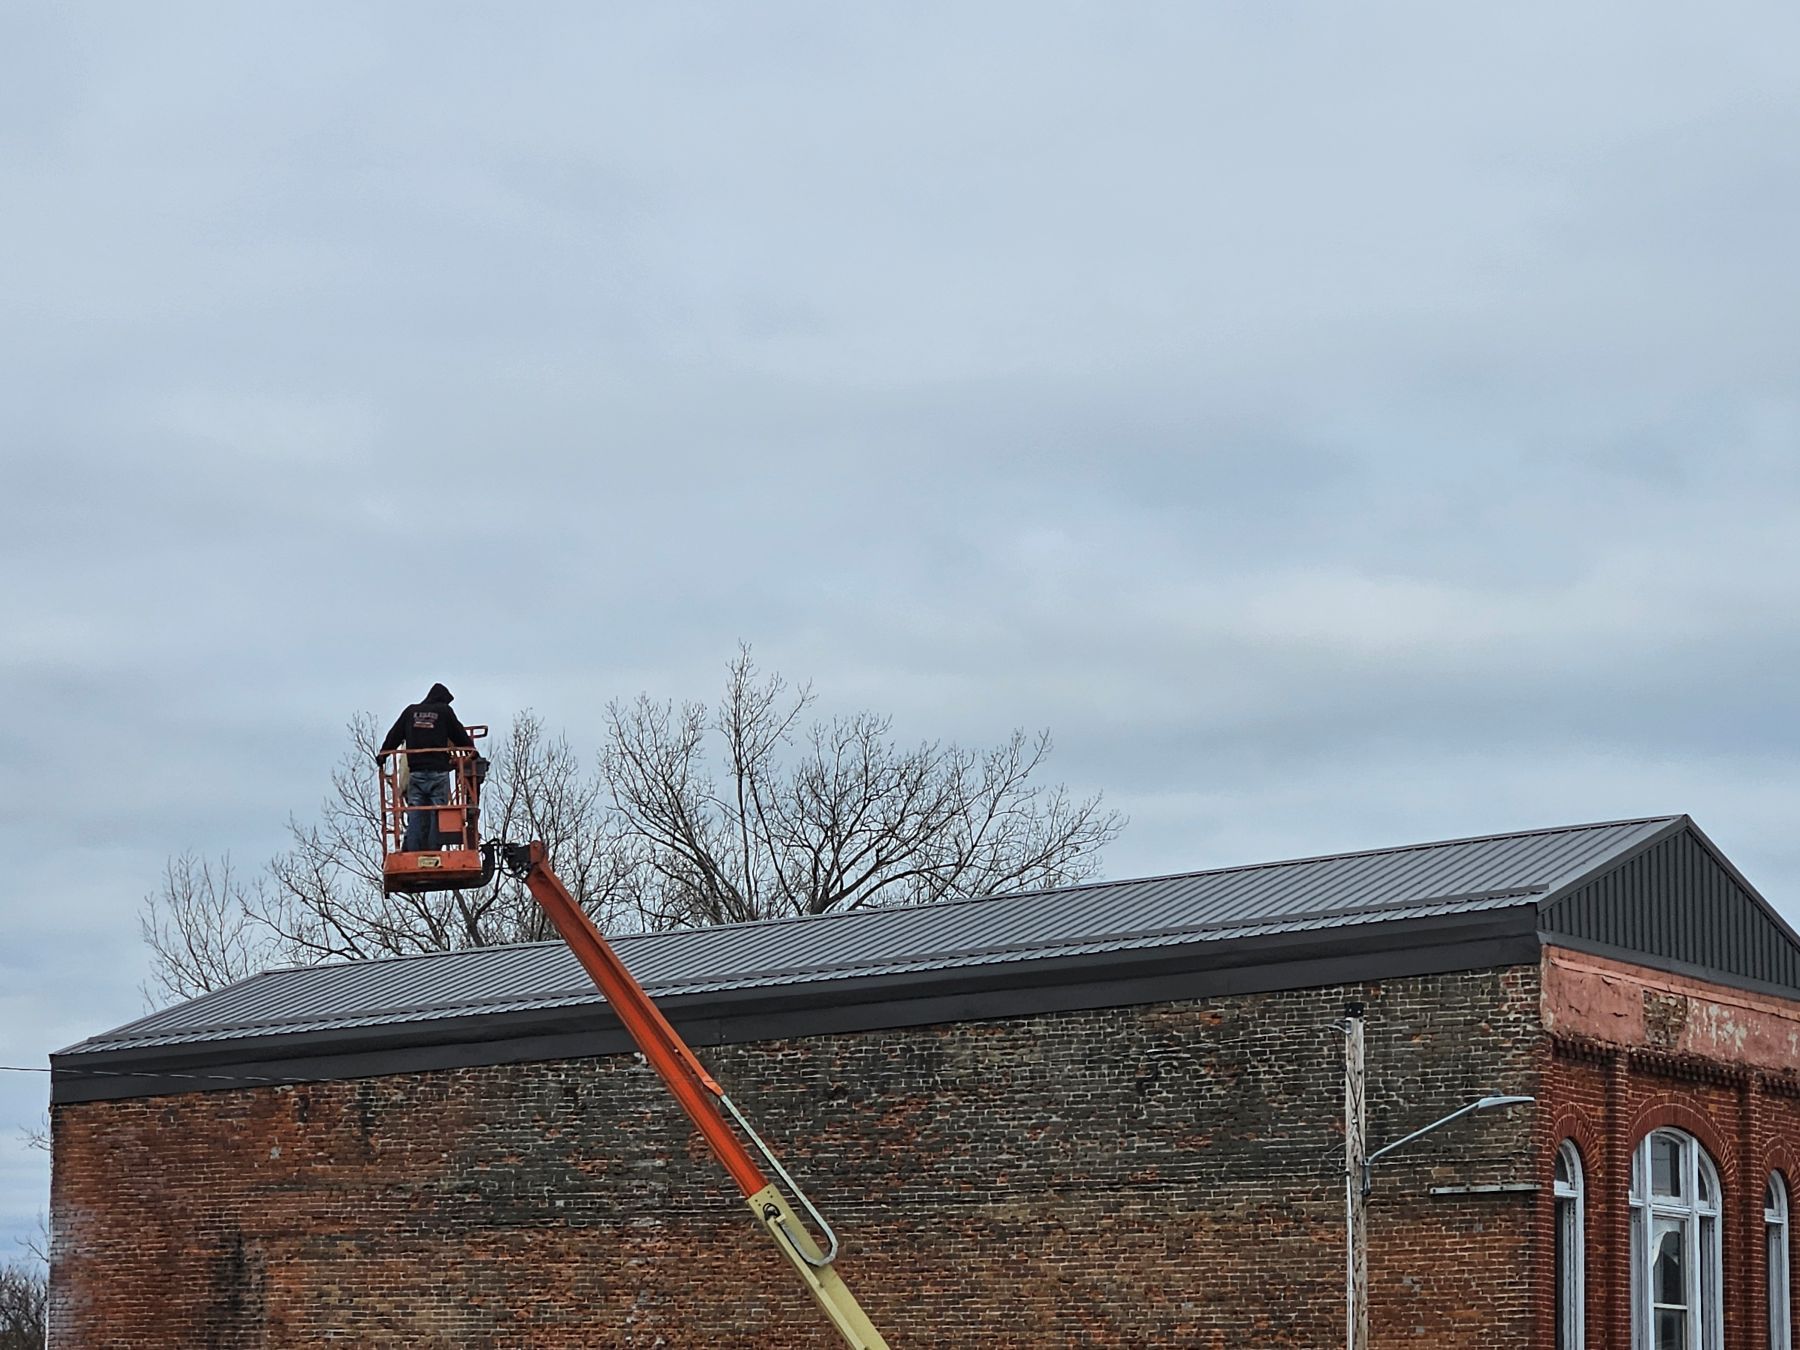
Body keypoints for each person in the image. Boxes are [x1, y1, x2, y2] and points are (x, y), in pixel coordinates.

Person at [379, 682, 474, 852]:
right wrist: (473, 752)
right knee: (438, 814)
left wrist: (383, 755)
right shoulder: (444, 711)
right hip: (439, 772)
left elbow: (394, 735)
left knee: (415, 812)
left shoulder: (410, 712)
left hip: (416, 773)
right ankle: (434, 851)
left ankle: (413, 850)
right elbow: (459, 735)